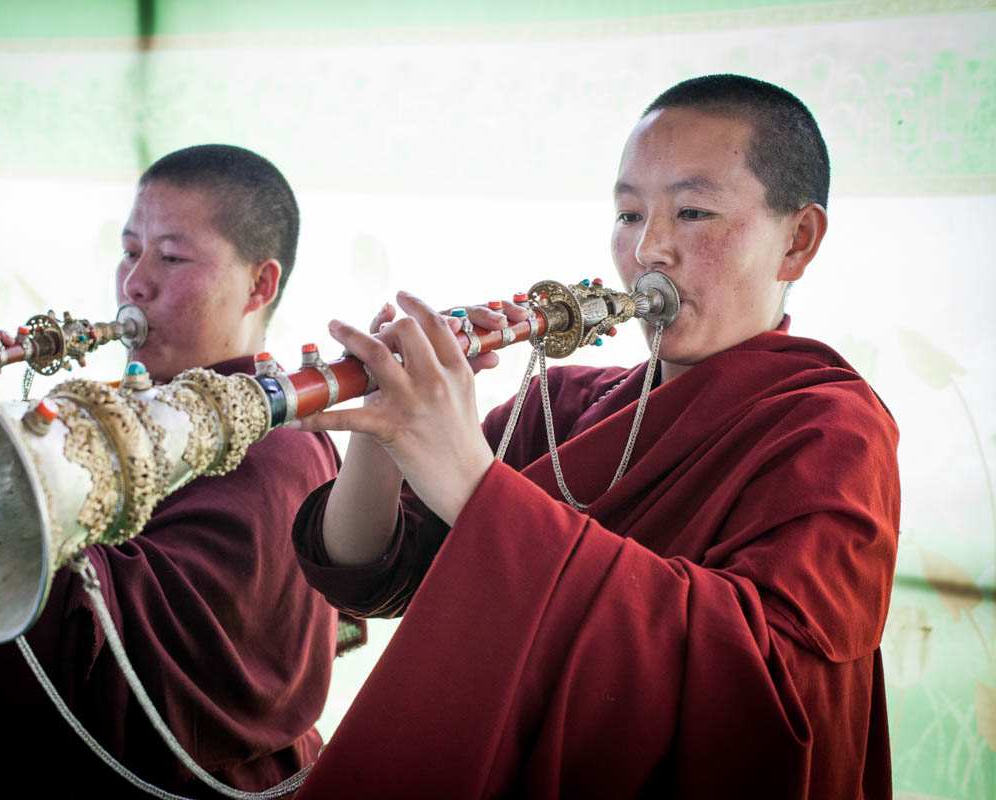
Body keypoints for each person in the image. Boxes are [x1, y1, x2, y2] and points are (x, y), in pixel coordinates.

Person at [287, 75, 899, 798]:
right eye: (629, 213)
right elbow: (379, 576)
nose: (650, 249)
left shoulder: (829, 429)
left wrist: (472, 484)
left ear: (797, 242)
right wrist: (383, 427)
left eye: (693, 211)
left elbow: (757, 685)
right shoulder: (561, 404)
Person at [0, 145, 348, 797]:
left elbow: (129, 651)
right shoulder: (119, 409)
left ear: (259, 284)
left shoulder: (281, 448)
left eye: (171, 256)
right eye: (129, 250)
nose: (135, 282)